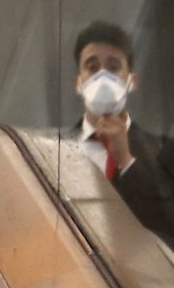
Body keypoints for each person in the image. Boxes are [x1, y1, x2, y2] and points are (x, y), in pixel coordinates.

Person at [70, 20, 174, 244]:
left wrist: (126, 161)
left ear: (131, 81)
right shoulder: (56, 149)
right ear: (78, 83)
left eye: (114, 67)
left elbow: (168, 223)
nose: (102, 77)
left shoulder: (165, 151)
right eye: (92, 68)